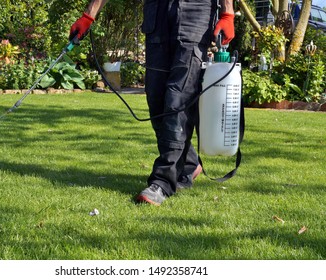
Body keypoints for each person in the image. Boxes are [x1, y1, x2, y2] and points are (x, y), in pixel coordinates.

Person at [69, 0, 235, 206]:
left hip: (195, 11)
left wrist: (228, 13)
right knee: (156, 98)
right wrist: (88, 16)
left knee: (178, 98)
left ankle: (162, 181)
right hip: (157, 13)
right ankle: (189, 163)